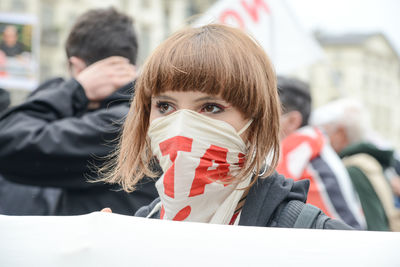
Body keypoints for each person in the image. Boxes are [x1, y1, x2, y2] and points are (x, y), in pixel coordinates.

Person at [100, 24, 352, 229]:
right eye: (165, 106)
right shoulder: (142, 226)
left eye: (210, 107)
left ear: (254, 122)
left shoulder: (309, 234)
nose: (181, 126)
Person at [0, 8, 158, 215]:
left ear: (76, 67)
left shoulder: (123, 121)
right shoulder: (138, 112)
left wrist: (75, 89)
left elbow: (9, 141)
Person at [275, 77, 365, 229]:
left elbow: (267, 197)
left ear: (292, 121)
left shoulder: (298, 146)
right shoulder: (313, 143)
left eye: (265, 113)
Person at [310, 98, 400, 231]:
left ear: (340, 133)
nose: (319, 139)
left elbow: (373, 229)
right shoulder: (371, 160)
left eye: (324, 133)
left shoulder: (353, 169)